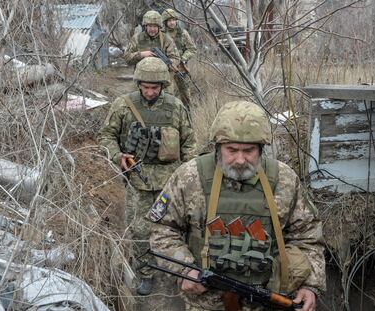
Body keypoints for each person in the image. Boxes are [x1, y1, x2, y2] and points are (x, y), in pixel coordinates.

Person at [149, 101, 326, 311]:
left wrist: (310, 284)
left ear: (261, 148)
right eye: (231, 150)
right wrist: (185, 270)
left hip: (269, 299)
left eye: (249, 150)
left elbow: (308, 236)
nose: (240, 160)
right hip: (206, 303)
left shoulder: (284, 180)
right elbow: (162, 228)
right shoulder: (190, 177)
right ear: (218, 147)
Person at [98, 57, 196, 296]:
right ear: (138, 83)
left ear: (163, 85)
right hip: (137, 180)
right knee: (140, 231)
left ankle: (180, 273)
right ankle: (145, 273)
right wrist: (117, 155)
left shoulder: (175, 107)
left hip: (171, 182)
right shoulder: (124, 105)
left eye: (155, 87)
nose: (150, 92)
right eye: (145, 86)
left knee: (176, 229)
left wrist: (189, 175)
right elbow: (106, 136)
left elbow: (189, 143)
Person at [124, 10, 180, 94]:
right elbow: (127, 58)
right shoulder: (137, 38)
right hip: (142, 82)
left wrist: (162, 62)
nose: (152, 29)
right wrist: (142, 54)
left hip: (163, 83)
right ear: (145, 26)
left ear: (159, 26)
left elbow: (176, 59)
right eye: (150, 26)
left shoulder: (167, 40)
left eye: (155, 26)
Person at [161, 8, 197, 107]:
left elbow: (192, 49)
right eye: (169, 20)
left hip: (181, 67)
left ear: (176, 20)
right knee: (168, 93)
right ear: (165, 22)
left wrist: (184, 58)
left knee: (185, 93)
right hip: (167, 68)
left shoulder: (183, 33)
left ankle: (187, 112)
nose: (172, 22)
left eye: (173, 20)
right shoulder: (161, 34)